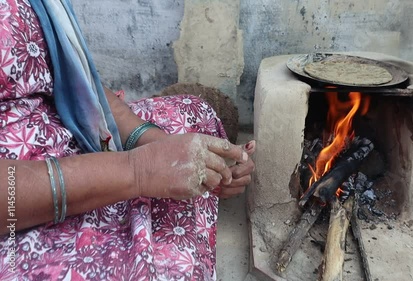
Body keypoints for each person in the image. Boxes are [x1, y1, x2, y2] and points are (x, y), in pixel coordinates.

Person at [0, 0, 255, 280]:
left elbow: (79, 81)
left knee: (196, 113)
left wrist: (153, 141)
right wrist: (139, 169)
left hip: (72, 129)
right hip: (23, 197)